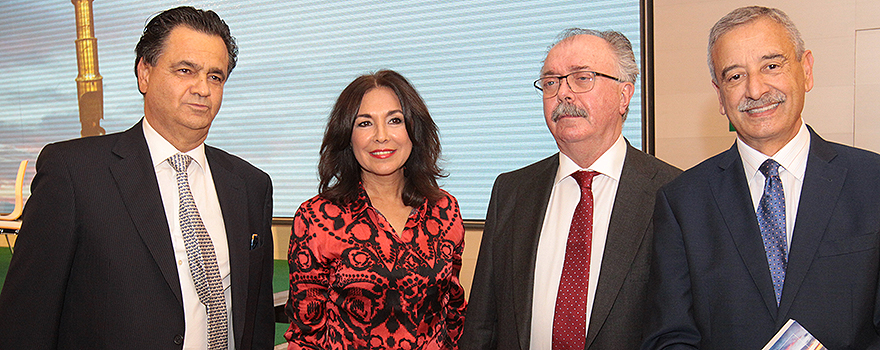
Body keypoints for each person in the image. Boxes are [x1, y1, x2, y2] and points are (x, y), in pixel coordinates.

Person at [0, 6, 275, 349]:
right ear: (145, 72)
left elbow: (258, 322)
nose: (203, 88)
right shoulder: (73, 173)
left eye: (215, 76)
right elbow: (25, 321)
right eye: (185, 70)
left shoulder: (250, 185)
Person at [642, 6, 880, 349]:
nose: (755, 89)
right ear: (720, 95)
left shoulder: (872, 183)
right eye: (735, 76)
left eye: (771, 66)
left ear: (806, 70)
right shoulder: (682, 203)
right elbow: (669, 337)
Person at [461, 29, 681, 350]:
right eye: (551, 82)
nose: (563, 93)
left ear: (624, 96)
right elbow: (482, 325)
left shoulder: (673, 194)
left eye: (582, 78)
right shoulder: (510, 191)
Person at [284, 69, 466, 349]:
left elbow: (453, 314)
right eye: (365, 123)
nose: (381, 136)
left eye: (395, 120)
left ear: (414, 130)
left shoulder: (445, 210)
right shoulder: (315, 218)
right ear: (347, 135)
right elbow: (306, 336)